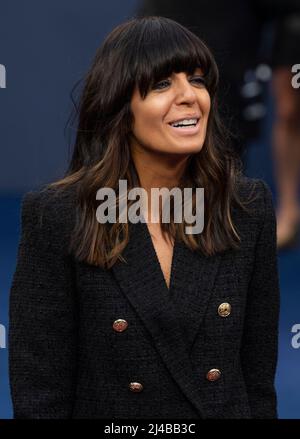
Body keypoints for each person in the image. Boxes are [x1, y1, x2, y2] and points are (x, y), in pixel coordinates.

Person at [9, 16, 280, 419]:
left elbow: (258, 387)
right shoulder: (59, 216)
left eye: (198, 79)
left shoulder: (246, 207)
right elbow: (40, 395)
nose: (190, 96)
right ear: (119, 106)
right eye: (161, 84)